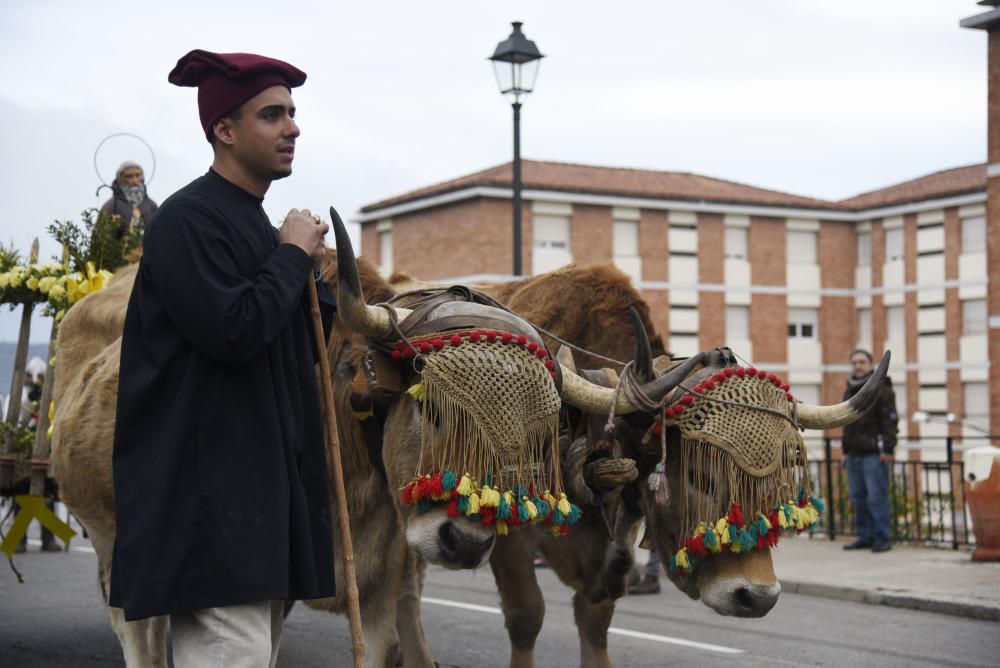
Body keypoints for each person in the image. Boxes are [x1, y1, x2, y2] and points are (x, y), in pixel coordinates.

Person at [110, 49, 337, 666]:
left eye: (292, 113)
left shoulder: (256, 226)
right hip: (212, 511)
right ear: (225, 131)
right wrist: (290, 257)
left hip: (255, 509)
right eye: (272, 115)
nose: (292, 127)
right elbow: (233, 331)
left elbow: (293, 354)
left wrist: (314, 280)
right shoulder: (187, 220)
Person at [841, 348, 898, 553]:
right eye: (854, 362)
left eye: (862, 362)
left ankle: (882, 538)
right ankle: (865, 536)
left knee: (876, 498)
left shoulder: (882, 389)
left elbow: (890, 421)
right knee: (858, 498)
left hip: (874, 454)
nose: (857, 365)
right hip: (854, 454)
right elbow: (845, 424)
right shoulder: (850, 389)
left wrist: (888, 448)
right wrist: (845, 451)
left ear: (871, 365)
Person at [99, 161, 158, 238]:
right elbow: (101, 237)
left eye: (138, 175)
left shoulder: (151, 206)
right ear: (120, 179)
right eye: (129, 176)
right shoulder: (111, 206)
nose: (135, 181)